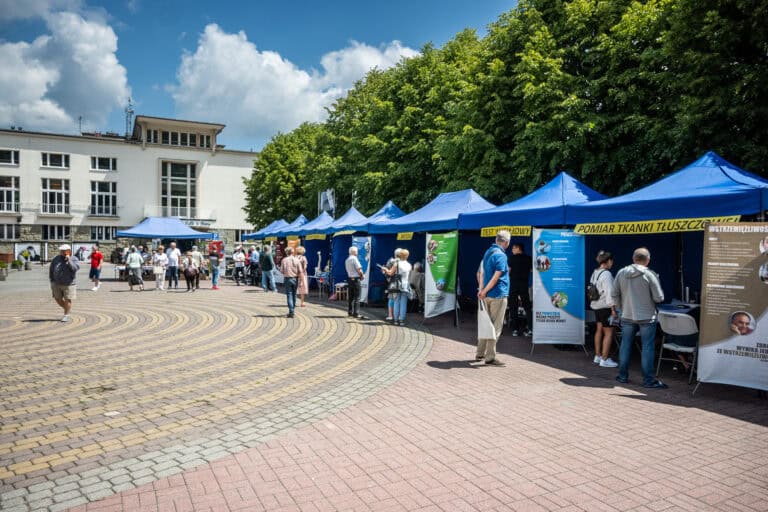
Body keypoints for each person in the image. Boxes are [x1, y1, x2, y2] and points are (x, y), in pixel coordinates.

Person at [612, 247, 666, 388]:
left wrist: (621, 308)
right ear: (647, 260)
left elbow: (614, 294)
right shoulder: (650, 275)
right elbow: (659, 297)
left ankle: (622, 376)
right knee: (647, 347)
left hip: (627, 315)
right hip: (647, 316)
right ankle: (648, 380)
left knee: (625, 345)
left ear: (633, 259)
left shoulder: (621, 273)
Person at [476, 230, 511, 366]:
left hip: (486, 295)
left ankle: (480, 352)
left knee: (485, 324)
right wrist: (484, 290)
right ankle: (490, 357)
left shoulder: (488, 252)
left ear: (497, 240)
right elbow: (496, 277)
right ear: (506, 242)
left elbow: (480, 273)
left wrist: (481, 290)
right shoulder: (501, 256)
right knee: (495, 327)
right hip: (498, 294)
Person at [590, 251, 618, 368]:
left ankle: (597, 356)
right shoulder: (607, 274)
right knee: (609, 333)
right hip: (605, 307)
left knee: (599, 330)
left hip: (596, 306)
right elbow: (609, 294)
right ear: (608, 261)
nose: (612, 263)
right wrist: (613, 309)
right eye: (611, 261)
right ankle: (605, 359)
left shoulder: (595, 272)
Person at [49, 244, 80, 322]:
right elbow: (51, 269)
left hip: (69, 283)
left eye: (63, 251)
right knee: (57, 299)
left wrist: (69, 260)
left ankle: (66, 315)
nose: (61, 252)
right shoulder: (56, 258)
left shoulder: (74, 259)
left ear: (69, 251)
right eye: (61, 250)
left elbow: (75, 268)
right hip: (56, 283)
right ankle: (67, 309)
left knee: (67, 299)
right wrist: (52, 280)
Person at [508, 243, 533, 337]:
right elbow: (531, 270)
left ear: (519, 248)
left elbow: (508, 271)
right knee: (527, 307)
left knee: (513, 307)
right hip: (524, 285)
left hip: (514, 285)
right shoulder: (528, 258)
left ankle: (515, 330)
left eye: (514, 248)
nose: (512, 250)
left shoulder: (511, 258)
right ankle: (530, 329)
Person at [384, 248, 411, 326]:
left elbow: (390, 273)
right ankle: (401, 320)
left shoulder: (397, 263)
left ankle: (395, 320)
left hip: (397, 285)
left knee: (396, 302)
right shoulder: (409, 264)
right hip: (405, 286)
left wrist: (385, 269)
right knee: (403, 303)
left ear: (400, 255)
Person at [345, 246, 366, 319]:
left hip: (350, 279)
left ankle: (350, 312)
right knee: (357, 297)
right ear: (353, 252)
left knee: (351, 297)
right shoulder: (354, 258)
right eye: (356, 251)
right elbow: (359, 269)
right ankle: (356, 313)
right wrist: (362, 276)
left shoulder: (347, 259)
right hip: (356, 279)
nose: (357, 252)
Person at [280, 246, 301, 317]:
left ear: (286, 252)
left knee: (289, 294)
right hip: (295, 278)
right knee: (294, 294)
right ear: (292, 252)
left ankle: (291, 311)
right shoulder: (297, 260)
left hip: (287, 279)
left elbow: (281, 271)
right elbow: (300, 271)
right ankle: (293, 310)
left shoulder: (284, 260)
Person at [382, 249, 402, 321]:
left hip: (394, 283)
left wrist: (384, 270)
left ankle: (391, 315)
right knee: (400, 300)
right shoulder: (405, 262)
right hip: (403, 284)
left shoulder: (393, 261)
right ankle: (400, 316)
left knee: (391, 299)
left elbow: (389, 273)